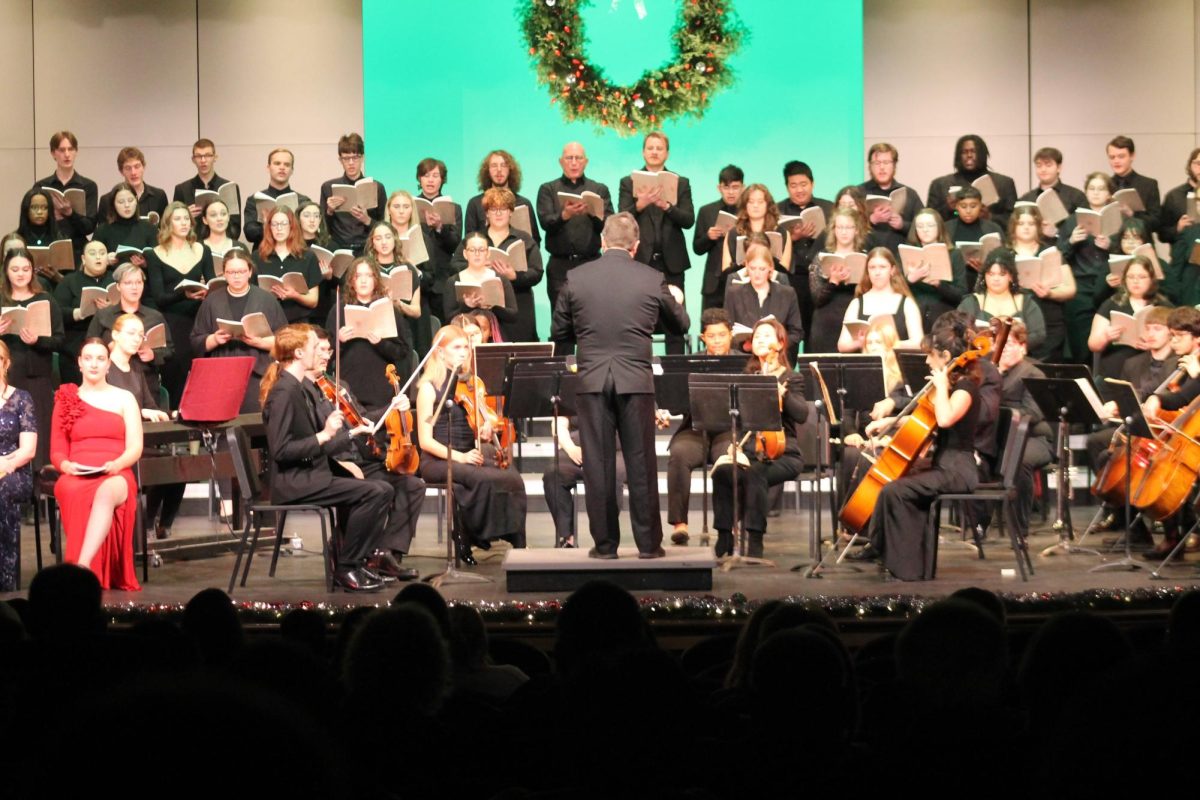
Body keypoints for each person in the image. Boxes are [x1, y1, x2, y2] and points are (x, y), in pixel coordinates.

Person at [550, 212, 689, 558]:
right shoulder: (651, 277)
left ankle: (606, 546)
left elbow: (559, 332)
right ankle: (648, 545)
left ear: (602, 241)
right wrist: (672, 303)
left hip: (593, 377)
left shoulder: (576, 277)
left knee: (598, 464)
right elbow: (680, 325)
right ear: (636, 245)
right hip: (635, 380)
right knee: (641, 462)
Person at [259, 324, 392, 592]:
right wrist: (324, 435)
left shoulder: (296, 388)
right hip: (296, 482)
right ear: (298, 353)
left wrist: (339, 435)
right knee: (375, 493)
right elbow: (281, 451)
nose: (317, 352)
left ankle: (355, 563)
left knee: (382, 488)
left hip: (311, 474)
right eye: (312, 346)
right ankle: (346, 567)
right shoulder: (284, 392)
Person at [848, 317, 982, 580]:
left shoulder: (966, 388)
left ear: (945, 357)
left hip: (958, 469)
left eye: (931, 356)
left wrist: (941, 386)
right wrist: (890, 421)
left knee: (895, 490)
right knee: (891, 485)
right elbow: (929, 418)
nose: (927, 362)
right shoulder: (954, 387)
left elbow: (945, 418)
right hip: (943, 464)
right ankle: (891, 555)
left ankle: (906, 566)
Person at [308, 330, 422, 581]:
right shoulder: (308, 393)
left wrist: (392, 406)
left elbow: (362, 419)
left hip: (361, 458)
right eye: (320, 350)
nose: (326, 356)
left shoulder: (340, 386)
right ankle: (352, 551)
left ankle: (384, 552)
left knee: (412, 485)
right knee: (377, 489)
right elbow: (316, 440)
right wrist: (343, 462)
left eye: (328, 351)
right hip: (334, 462)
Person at [415, 324, 527, 565]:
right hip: (437, 460)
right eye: (457, 347)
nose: (464, 352)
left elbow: (482, 420)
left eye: (466, 347)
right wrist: (460, 457)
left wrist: (487, 428)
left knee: (511, 476)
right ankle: (468, 536)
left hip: (467, 454)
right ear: (440, 352)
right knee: (480, 478)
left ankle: (516, 541)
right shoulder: (428, 388)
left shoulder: (468, 384)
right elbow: (425, 441)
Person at [50, 338, 143, 591]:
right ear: (79, 363)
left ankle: (81, 567)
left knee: (104, 493)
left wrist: (116, 465)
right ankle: (84, 569)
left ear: (108, 364)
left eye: (100, 358)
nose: (94, 364)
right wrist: (66, 466)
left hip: (116, 472)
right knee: (69, 488)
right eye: (88, 358)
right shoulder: (66, 397)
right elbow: (57, 450)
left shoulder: (125, 398)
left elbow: (135, 447)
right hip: (77, 473)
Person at [710, 318, 807, 558]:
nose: (761, 340)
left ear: (780, 343)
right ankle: (724, 535)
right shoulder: (747, 377)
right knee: (722, 472)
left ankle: (755, 540)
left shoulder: (791, 378)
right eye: (758, 337)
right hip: (751, 449)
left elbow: (802, 414)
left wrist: (783, 394)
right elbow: (740, 419)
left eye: (767, 336)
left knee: (756, 473)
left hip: (784, 453)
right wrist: (735, 444)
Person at [106, 313, 181, 542]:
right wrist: (139, 412)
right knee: (158, 465)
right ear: (115, 335)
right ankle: (142, 527)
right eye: (131, 333)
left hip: (138, 439)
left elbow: (150, 406)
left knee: (178, 466)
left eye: (140, 335)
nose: (137, 339)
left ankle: (154, 524)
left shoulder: (137, 368)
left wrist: (173, 414)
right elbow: (104, 407)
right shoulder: (105, 366)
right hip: (115, 444)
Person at [618, 131, 695, 354]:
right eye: (650, 148)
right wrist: (641, 204)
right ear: (643, 152)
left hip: (672, 263)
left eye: (659, 148)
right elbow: (622, 218)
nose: (654, 152)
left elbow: (688, 220)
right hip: (640, 261)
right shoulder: (628, 182)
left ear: (667, 153)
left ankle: (676, 376)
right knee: (639, 320)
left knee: (675, 322)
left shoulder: (680, 182)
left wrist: (667, 206)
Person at [666, 308, 735, 544]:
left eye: (722, 335)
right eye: (712, 336)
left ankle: (727, 527)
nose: (717, 341)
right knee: (679, 454)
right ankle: (680, 524)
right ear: (703, 337)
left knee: (727, 461)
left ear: (731, 335)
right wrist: (664, 409)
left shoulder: (742, 363)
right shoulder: (691, 362)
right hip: (695, 429)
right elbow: (676, 403)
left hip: (729, 429)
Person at [191, 247, 287, 412]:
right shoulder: (212, 301)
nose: (236, 276)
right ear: (224, 274)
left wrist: (260, 342)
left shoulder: (267, 300)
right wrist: (215, 339)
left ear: (250, 272)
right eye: (231, 272)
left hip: (258, 374)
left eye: (241, 271)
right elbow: (196, 340)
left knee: (256, 422)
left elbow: (285, 341)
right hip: (222, 374)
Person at [145, 201, 215, 407]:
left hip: (198, 319)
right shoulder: (154, 253)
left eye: (186, 218)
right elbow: (159, 297)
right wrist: (183, 294)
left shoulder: (203, 249)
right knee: (175, 376)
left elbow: (211, 282)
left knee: (199, 376)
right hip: (172, 322)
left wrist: (206, 291)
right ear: (168, 223)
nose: (184, 223)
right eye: (178, 219)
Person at [0, 248, 64, 468]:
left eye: (26, 269)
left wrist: (37, 340)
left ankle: (39, 491)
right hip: (8, 376)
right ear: (6, 272)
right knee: (11, 430)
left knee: (40, 430)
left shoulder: (45, 299)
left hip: (38, 375)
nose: (20, 274)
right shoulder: (1, 298)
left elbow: (59, 339)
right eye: (15, 269)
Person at [326, 256, 413, 413]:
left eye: (368, 275)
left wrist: (380, 342)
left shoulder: (388, 309)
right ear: (351, 280)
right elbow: (326, 353)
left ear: (376, 280)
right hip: (350, 385)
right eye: (358, 276)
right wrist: (340, 341)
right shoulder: (338, 309)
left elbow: (402, 352)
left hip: (381, 388)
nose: (363, 281)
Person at [536, 142, 613, 318]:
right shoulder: (548, 189)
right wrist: (564, 215)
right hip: (559, 266)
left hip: (592, 263)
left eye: (578, 158)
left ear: (585, 161)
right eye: (569, 158)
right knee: (561, 323)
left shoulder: (599, 189)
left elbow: (609, 225)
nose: (574, 162)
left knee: (594, 319)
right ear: (560, 161)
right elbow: (545, 222)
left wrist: (592, 213)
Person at [87, 262, 172, 402]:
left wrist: (153, 355)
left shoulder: (155, 316)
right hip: (110, 382)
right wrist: (109, 348)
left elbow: (169, 351)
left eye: (139, 282)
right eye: (128, 283)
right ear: (118, 286)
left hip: (146, 384)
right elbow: (89, 347)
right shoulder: (104, 315)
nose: (134, 287)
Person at [466, 187, 543, 342]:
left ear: (511, 212)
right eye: (494, 209)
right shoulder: (475, 238)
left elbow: (537, 271)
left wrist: (515, 275)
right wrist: (477, 266)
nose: (499, 213)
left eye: (503, 209)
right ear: (486, 213)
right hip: (482, 305)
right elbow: (457, 265)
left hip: (517, 302)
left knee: (518, 350)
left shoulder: (524, 239)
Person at [1060, 171, 1120, 363]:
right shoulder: (1072, 220)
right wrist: (1072, 241)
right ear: (1085, 192)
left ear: (1109, 193)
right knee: (1080, 340)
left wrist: (1110, 246)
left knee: (1109, 337)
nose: (1096, 193)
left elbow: (1128, 252)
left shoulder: (1119, 221)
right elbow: (1059, 256)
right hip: (1081, 287)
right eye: (1091, 188)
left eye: (1101, 189)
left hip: (1109, 285)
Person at [542, 415, 627, 549]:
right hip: (578, 447)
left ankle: (605, 539)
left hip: (613, 449)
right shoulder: (572, 395)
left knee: (612, 475)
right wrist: (571, 449)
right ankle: (567, 538)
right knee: (554, 473)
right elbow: (558, 423)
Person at [1087, 254, 1171, 382]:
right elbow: (1093, 344)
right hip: (1116, 365)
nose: (1135, 281)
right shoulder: (1112, 303)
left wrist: (1155, 343)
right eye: (1131, 277)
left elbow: (1176, 339)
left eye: (1142, 277)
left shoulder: (1163, 305)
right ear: (1125, 279)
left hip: (1151, 368)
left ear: (1151, 279)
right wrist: (1107, 336)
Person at [1009, 205, 1075, 362]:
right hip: (1015, 321)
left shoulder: (1051, 253)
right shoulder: (1005, 254)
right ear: (1014, 226)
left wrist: (1050, 293)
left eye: (1031, 224)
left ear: (1038, 227)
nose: (1026, 228)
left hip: (1049, 321)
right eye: (1021, 224)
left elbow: (1070, 288)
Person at [723, 238, 805, 362]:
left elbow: (796, 332)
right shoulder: (734, 293)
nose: (757, 274)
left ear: (770, 268)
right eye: (752, 268)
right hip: (744, 359)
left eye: (762, 269)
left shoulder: (787, 294)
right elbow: (727, 329)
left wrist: (777, 345)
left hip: (777, 359)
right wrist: (744, 346)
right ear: (746, 266)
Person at [778, 160, 834, 336]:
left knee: (816, 333)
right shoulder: (777, 210)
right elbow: (770, 247)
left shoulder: (828, 208)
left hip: (819, 280)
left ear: (813, 183)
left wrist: (821, 236)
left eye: (804, 184)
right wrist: (792, 238)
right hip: (790, 279)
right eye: (793, 185)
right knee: (788, 332)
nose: (799, 190)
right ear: (787, 187)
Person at [957, 247, 1046, 353]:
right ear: (984, 276)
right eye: (991, 274)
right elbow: (959, 331)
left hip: (1017, 360)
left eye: (1002, 274)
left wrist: (1011, 346)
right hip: (979, 361)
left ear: (1011, 277)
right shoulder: (971, 302)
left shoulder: (1026, 303)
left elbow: (1039, 334)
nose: (996, 279)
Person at [0, 341, 36, 592]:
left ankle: (5, 576)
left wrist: (5, 464)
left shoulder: (21, 398)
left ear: (6, 363)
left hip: (13, 468)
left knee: (3, 488)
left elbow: (28, 449)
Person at [839, 246, 923, 352]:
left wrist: (889, 343)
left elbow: (918, 342)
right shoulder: (856, 304)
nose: (877, 272)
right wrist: (861, 342)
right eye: (872, 267)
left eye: (882, 267)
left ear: (892, 270)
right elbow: (842, 345)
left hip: (896, 366)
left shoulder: (907, 303)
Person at [808, 207, 868, 353]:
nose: (844, 231)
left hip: (853, 321)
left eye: (848, 227)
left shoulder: (865, 257)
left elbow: (871, 294)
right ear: (834, 230)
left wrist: (858, 282)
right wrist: (833, 281)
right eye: (840, 227)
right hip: (825, 323)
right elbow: (816, 298)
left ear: (857, 230)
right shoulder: (822, 256)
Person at [54, 239, 115, 385]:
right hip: (74, 347)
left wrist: (111, 309)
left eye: (102, 253)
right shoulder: (69, 281)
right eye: (92, 254)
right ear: (83, 259)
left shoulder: (115, 280)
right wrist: (79, 313)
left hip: (110, 345)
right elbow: (56, 312)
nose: (98, 257)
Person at [926, 134, 1019, 228]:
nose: (969, 155)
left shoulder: (1004, 183)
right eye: (964, 152)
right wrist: (948, 209)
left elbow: (1015, 219)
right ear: (958, 156)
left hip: (991, 237)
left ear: (983, 154)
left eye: (974, 151)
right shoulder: (940, 185)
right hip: (951, 238)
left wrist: (990, 217)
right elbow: (927, 220)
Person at [33, 131, 99, 260]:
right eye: (62, 150)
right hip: (49, 246)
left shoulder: (88, 186)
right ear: (53, 153)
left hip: (77, 249)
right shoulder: (41, 186)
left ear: (76, 152)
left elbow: (89, 227)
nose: (67, 154)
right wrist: (50, 216)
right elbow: (34, 222)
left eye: (71, 149)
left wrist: (70, 213)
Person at [385, 191, 436, 354]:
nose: (401, 211)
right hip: (388, 305)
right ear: (389, 210)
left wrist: (416, 271)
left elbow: (431, 278)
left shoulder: (423, 238)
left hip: (417, 306)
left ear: (411, 210)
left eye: (406, 207)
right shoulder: (381, 237)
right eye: (397, 206)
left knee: (418, 354)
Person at [413, 157, 463, 323]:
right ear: (419, 178)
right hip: (419, 274)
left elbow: (456, 244)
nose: (430, 180)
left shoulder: (453, 208)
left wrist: (440, 227)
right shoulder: (410, 206)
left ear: (442, 179)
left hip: (442, 278)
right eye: (426, 175)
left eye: (435, 175)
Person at [319, 133, 386, 253]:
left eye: (355, 158)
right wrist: (329, 211)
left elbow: (385, 226)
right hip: (340, 248)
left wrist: (367, 220)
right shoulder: (328, 187)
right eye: (346, 158)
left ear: (362, 158)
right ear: (340, 160)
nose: (351, 163)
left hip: (368, 249)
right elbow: (323, 229)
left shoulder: (377, 187)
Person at [904, 208, 969, 332]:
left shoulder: (954, 254)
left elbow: (961, 294)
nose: (925, 230)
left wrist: (939, 284)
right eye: (920, 226)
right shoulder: (908, 252)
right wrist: (910, 279)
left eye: (930, 225)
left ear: (939, 227)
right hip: (914, 312)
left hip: (943, 315)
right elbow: (895, 287)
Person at [254, 207, 322, 323]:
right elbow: (252, 295)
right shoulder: (258, 256)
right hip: (267, 319)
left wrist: (295, 295)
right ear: (269, 227)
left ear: (291, 226)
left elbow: (313, 300)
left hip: (298, 322)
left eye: (284, 224)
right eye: (275, 224)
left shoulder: (308, 256)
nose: (279, 228)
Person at [694, 165, 744, 311]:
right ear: (719, 188)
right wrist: (709, 237)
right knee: (710, 326)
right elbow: (697, 248)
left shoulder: (748, 211)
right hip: (713, 283)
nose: (731, 192)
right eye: (726, 187)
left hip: (743, 278)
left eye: (735, 187)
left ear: (743, 187)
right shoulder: (706, 211)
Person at [858, 143, 923, 256]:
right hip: (865, 257)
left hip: (900, 259)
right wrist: (871, 220)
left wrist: (903, 225)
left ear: (894, 165)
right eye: (877, 163)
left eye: (886, 162)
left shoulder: (909, 194)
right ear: (870, 166)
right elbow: (845, 226)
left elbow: (924, 226)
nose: (882, 167)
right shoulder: (859, 193)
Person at [444, 231, 518, 328]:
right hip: (464, 335)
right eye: (472, 250)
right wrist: (467, 306)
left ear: (488, 253)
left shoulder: (501, 279)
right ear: (465, 254)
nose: (477, 254)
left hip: (494, 334)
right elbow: (448, 318)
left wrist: (493, 307)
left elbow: (513, 315)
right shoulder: (453, 281)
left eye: (481, 250)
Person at [464, 149, 540, 244]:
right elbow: (468, 240)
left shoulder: (524, 203)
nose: (499, 170)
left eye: (504, 165)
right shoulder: (475, 203)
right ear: (487, 171)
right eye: (494, 165)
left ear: (510, 170)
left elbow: (535, 240)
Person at [173, 138, 242, 240]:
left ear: (215, 157)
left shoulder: (230, 187)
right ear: (193, 159)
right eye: (198, 156)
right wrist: (186, 217)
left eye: (208, 155)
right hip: (192, 245)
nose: (203, 160)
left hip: (223, 245)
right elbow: (174, 227)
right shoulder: (182, 189)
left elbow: (235, 228)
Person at [1017, 147, 1087, 245]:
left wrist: (1057, 233)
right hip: (1034, 249)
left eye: (1048, 165)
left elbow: (1083, 229)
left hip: (1068, 252)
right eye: (1039, 165)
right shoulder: (1026, 199)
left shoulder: (1076, 196)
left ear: (1059, 168)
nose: (1043, 169)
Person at [243, 148, 310, 247]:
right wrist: (267, 225)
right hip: (263, 256)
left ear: (292, 170)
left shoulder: (303, 201)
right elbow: (250, 234)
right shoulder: (255, 199)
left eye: (287, 165)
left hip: (295, 256)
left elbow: (308, 233)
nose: (282, 167)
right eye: (277, 163)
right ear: (268, 167)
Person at [720, 183, 792, 276]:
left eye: (760, 201)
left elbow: (784, 272)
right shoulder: (734, 233)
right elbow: (726, 271)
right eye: (751, 201)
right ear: (745, 205)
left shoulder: (781, 233)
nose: (755, 205)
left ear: (768, 204)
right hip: (739, 286)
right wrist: (745, 264)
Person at [93, 182, 157, 266]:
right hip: (112, 277)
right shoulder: (103, 230)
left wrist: (145, 264)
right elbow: (91, 261)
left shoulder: (149, 228)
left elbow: (159, 262)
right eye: (121, 202)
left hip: (141, 277)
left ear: (136, 200)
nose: (127, 205)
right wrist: (105, 260)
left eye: (130, 200)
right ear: (113, 205)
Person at [98, 147, 168, 222]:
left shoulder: (159, 196)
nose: (133, 172)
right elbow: (103, 232)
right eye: (128, 168)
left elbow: (165, 229)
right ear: (121, 171)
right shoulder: (106, 200)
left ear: (143, 167)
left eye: (137, 166)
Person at [1107, 135, 1161, 231]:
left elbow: (1157, 223)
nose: (1116, 161)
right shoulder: (1105, 186)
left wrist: (1133, 214)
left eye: (1121, 156)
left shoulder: (1148, 185)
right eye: (1112, 157)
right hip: (1111, 242)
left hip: (1140, 241)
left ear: (1132, 156)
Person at [944, 186, 1005, 269]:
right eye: (963, 206)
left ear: (980, 206)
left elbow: (1003, 257)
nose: (968, 211)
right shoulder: (946, 228)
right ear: (956, 206)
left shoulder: (993, 229)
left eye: (973, 206)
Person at [15, 187, 63, 289]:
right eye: (34, 207)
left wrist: (58, 277)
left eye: (44, 208)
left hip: (55, 290)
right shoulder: (16, 239)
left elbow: (71, 279)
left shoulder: (60, 238)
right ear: (26, 210)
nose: (40, 212)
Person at [1159, 147, 1200, 245]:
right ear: (1190, 165)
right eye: (1198, 163)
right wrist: (1178, 227)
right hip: (1182, 256)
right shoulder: (1174, 196)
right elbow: (1162, 235)